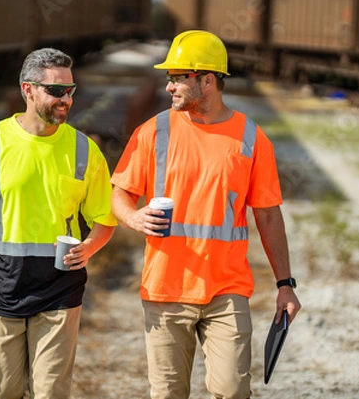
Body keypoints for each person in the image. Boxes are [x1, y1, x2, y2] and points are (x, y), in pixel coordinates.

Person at [110, 30, 302, 399]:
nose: (169, 87)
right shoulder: (154, 132)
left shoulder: (250, 137)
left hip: (226, 291)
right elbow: (121, 193)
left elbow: (268, 215)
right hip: (166, 289)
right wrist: (132, 218)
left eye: (178, 77)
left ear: (208, 80)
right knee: (168, 394)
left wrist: (285, 285)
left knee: (232, 392)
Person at [0, 47, 117, 399]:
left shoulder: (84, 150)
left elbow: (105, 219)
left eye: (70, 91)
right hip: (3, 286)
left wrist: (90, 247)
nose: (66, 99)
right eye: (56, 91)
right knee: (3, 391)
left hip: (60, 288)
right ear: (28, 90)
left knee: (51, 392)